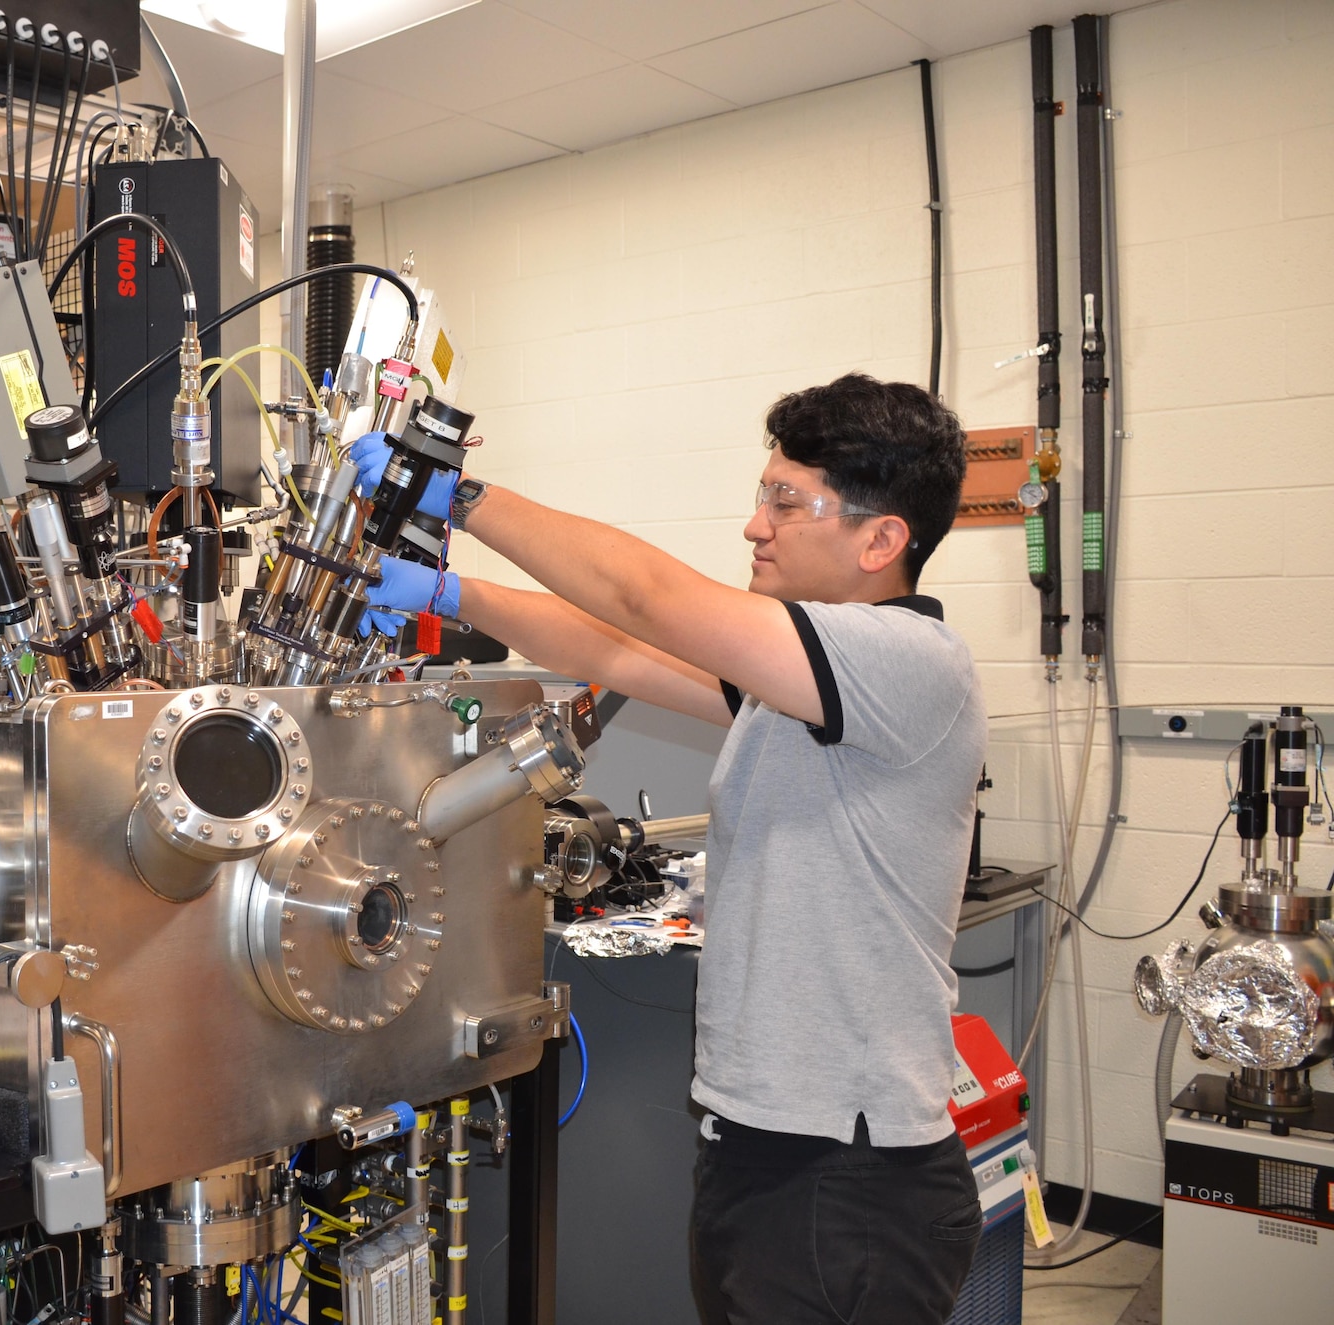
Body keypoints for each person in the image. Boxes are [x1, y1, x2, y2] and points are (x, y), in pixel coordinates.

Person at [356, 373, 987, 1324]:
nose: (754, 525)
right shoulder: (796, 687)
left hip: (850, 1173)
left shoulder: (904, 660)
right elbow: (617, 649)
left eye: (786, 500)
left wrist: (464, 497)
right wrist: (452, 590)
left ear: (881, 538)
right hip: (765, 1142)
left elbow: (643, 596)